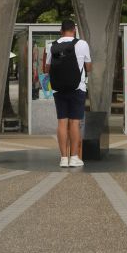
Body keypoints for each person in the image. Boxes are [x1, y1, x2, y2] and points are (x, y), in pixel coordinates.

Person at [45, 18, 91, 168]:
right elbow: (89, 67)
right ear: (74, 30)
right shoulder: (82, 44)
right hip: (78, 88)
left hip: (58, 89)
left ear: (61, 31)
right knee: (75, 123)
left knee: (62, 122)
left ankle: (63, 158)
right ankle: (74, 158)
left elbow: (46, 69)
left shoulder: (52, 46)